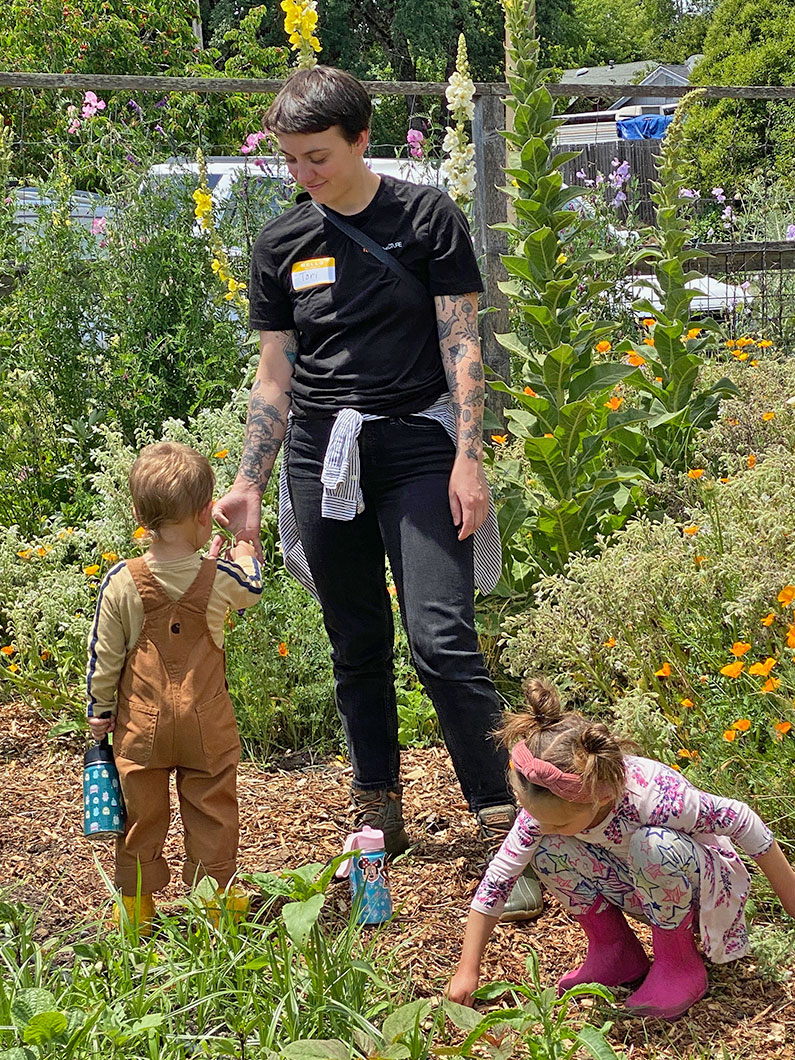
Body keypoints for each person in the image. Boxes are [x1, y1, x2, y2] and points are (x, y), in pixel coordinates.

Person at [211, 64, 541, 919]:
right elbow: (274, 375)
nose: (303, 174)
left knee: (440, 637)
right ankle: (378, 809)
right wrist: (247, 482)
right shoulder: (281, 243)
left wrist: (469, 459)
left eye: (316, 156)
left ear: (362, 140)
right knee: (354, 638)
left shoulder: (425, 218)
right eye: (289, 160)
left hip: (417, 445)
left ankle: (506, 821)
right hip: (322, 453)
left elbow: (463, 344)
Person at [448, 678, 795, 1019]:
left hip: (701, 891)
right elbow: (500, 877)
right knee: (543, 847)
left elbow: (742, 818)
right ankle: (615, 950)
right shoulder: (549, 808)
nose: (543, 825)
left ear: (600, 797)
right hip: (643, 885)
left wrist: (790, 897)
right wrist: (468, 967)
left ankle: (679, 962)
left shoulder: (657, 799)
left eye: (557, 821)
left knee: (652, 846)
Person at [86, 441, 263, 933]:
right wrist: (246, 550)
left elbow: (105, 653)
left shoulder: (121, 580)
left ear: (139, 514)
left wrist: (100, 710)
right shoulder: (220, 576)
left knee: (140, 817)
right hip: (207, 723)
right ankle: (218, 911)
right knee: (211, 811)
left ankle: (136, 916)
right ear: (207, 515)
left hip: (140, 725)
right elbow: (249, 590)